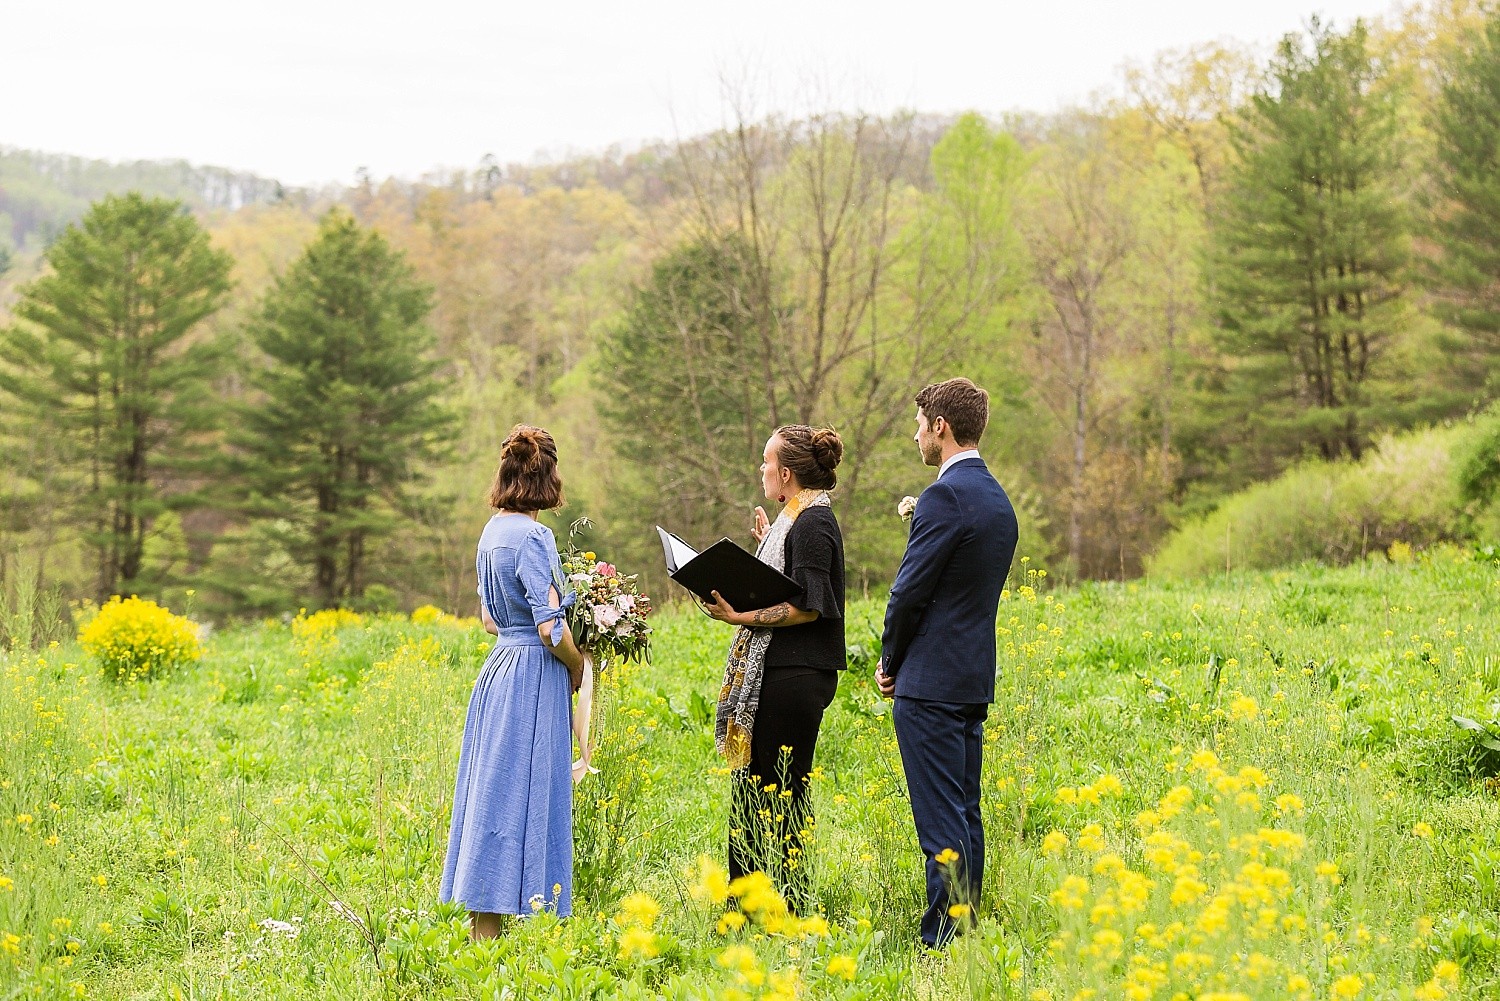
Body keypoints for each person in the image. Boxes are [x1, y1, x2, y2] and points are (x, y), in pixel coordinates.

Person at [874, 378, 1018, 948]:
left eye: (919, 425)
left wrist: (890, 659)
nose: (916, 436)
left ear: (941, 427)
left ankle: (942, 937)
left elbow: (908, 593)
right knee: (965, 809)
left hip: (929, 681)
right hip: (972, 675)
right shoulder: (998, 499)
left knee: (939, 820)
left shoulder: (944, 496)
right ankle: (968, 926)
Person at [441, 425, 587, 938]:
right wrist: (576, 663)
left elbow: (489, 619)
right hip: (533, 676)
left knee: (494, 791)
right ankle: (512, 929)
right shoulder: (533, 536)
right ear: (548, 479)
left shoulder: (491, 531)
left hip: (499, 670)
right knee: (526, 790)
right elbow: (551, 627)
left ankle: (485, 931)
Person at [701, 424, 847, 913]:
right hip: (781, 673)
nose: (761, 470)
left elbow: (809, 604)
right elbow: (793, 579)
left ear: (785, 473)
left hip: (796, 676)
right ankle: (746, 905)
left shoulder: (814, 524)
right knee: (753, 789)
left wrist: (741, 615)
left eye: (766, 463)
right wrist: (768, 549)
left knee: (782, 794)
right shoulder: (794, 521)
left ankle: (789, 907)